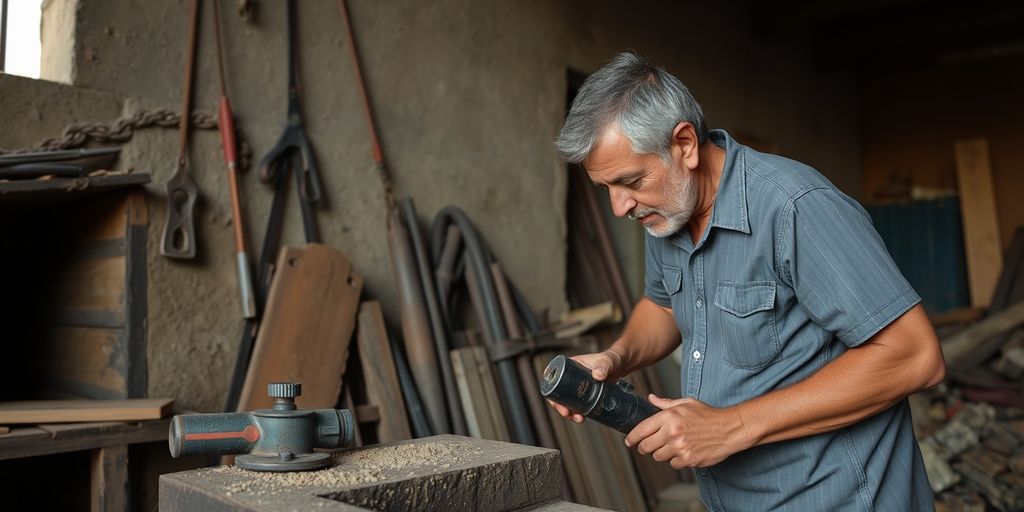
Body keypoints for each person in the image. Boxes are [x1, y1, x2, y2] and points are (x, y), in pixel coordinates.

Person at [550, 52, 946, 511]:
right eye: (607, 190)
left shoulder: (795, 206)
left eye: (631, 181)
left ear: (684, 144)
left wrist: (730, 426)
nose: (620, 207)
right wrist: (614, 359)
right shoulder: (667, 210)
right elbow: (662, 307)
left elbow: (915, 356)